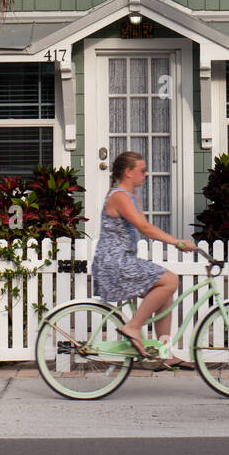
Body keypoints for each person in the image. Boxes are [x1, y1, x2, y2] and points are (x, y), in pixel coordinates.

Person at [91, 150, 197, 369]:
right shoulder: (119, 195)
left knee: (164, 294)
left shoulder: (130, 194)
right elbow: (145, 228)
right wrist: (177, 242)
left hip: (121, 260)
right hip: (115, 262)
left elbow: (142, 224)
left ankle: (164, 354)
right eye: (142, 170)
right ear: (128, 172)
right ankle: (133, 326)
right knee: (170, 280)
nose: (146, 174)